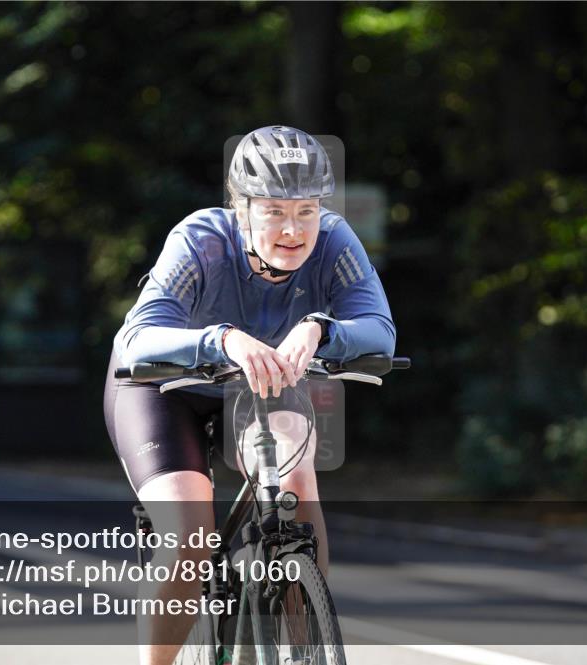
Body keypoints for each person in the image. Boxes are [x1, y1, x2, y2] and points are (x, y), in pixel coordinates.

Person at [104, 125, 395, 665]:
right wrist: (223, 339)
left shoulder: (334, 240)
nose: (293, 229)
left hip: (260, 389)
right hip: (164, 389)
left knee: (296, 479)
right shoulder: (201, 241)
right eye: (274, 211)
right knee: (191, 532)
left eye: (306, 210)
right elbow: (137, 340)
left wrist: (320, 328)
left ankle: (303, 642)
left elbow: (379, 327)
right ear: (241, 208)